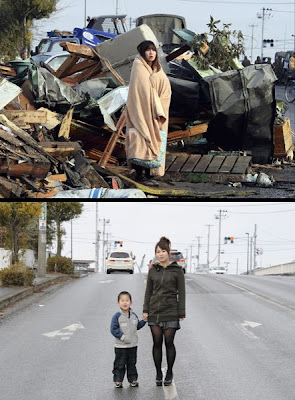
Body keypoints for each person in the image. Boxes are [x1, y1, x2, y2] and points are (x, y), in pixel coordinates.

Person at [125, 40, 172, 186]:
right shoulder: (139, 66)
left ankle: (148, 174)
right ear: (142, 52)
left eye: (153, 50)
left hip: (154, 111)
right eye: (148, 50)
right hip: (142, 110)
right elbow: (144, 92)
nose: (151, 53)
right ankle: (140, 175)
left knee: (151, 142)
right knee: (142, 140)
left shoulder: (155, 68)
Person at [143, 236, 185, 386]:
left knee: (169, 342)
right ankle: (158, 372)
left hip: (171, 310)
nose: (160, 254)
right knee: (156, 342)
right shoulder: (153, 270)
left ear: (168, 252)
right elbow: (148, 291)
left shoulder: (177, 270)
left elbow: (182, 292)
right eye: (157, 252)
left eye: (162, 251)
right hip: (154, 311)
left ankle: (170, 372)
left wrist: (181, 311)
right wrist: (145, 309)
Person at [110, 291, 146, 388]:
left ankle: (133, 379)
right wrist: (122, 337)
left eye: (127, 300)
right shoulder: (117, 316)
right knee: (120, 364)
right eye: (122, 300)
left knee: (132, 363)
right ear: (118, 303)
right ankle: (118, 380)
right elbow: (113, 329)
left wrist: (144, 320)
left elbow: (137, 326)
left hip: (132, 345)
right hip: (121, 346)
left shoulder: (134, 315)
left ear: (131, 302)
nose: (125, 303)